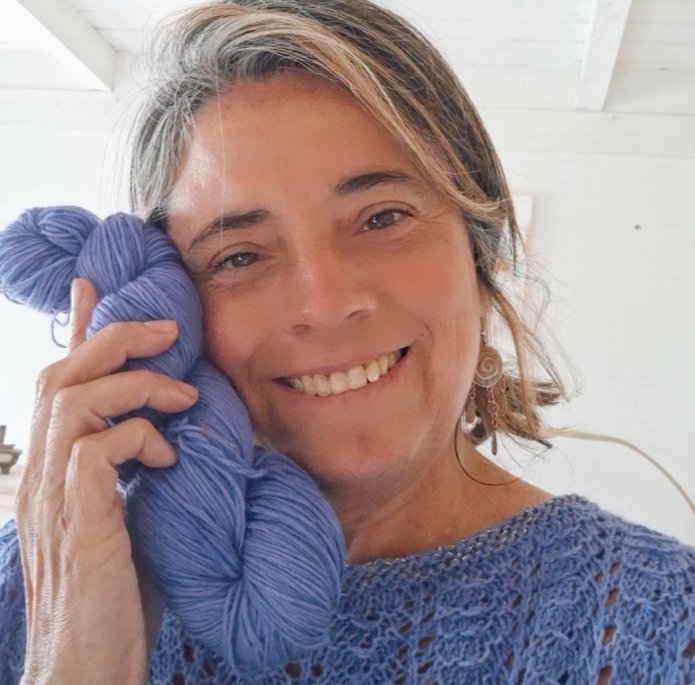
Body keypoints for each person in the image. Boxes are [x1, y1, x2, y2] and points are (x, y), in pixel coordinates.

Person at [0, 1, 693, 683]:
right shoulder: (34, 584)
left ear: (479, 258)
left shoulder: (664, 625)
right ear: (174, 305)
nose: (325, 303)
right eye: (238, 255)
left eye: (382, 217)